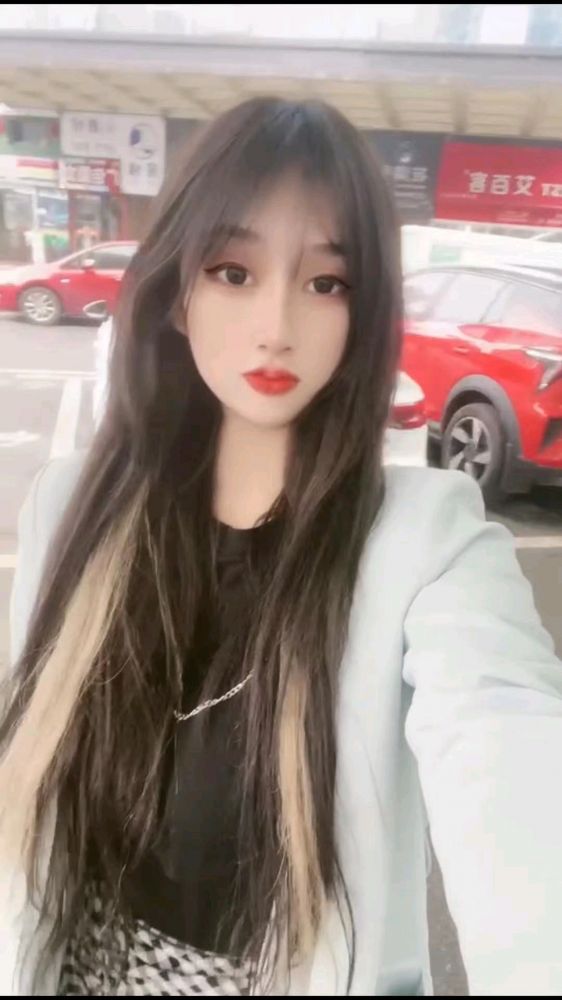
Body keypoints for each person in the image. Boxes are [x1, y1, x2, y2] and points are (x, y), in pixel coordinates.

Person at [2, 97, 562, 997]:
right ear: (175, 292)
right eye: (234, 271)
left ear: (364, 311)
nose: (276, 326)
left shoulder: (425, 545)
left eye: (326, 283)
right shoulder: (74, 508)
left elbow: (509, 750)